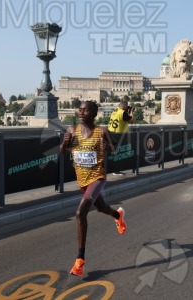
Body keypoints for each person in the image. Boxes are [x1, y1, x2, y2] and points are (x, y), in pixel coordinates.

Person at [60, 101, 127, 277]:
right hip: (82, 180)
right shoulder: (71, 131)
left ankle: (80, 260)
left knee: (80, 213)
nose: (81, 112)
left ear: (94, 114)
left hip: (97, 177)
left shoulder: (101, 131)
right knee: (102, 208)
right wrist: (64, 144)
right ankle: (118, 216)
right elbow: (62, 152)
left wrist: (107, 147)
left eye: (85, 110)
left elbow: (114, 147)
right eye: (80, 109)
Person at [107, 100, 135, 175]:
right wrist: (132, 112)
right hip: (119, 135)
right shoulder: (122, 113)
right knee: (118, 154)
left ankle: (115, 170)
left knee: (114, 153)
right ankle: (116, 170)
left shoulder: (115, 111)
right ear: (125, 106)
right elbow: (132, 121)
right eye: (126, 107)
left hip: (111, 133)